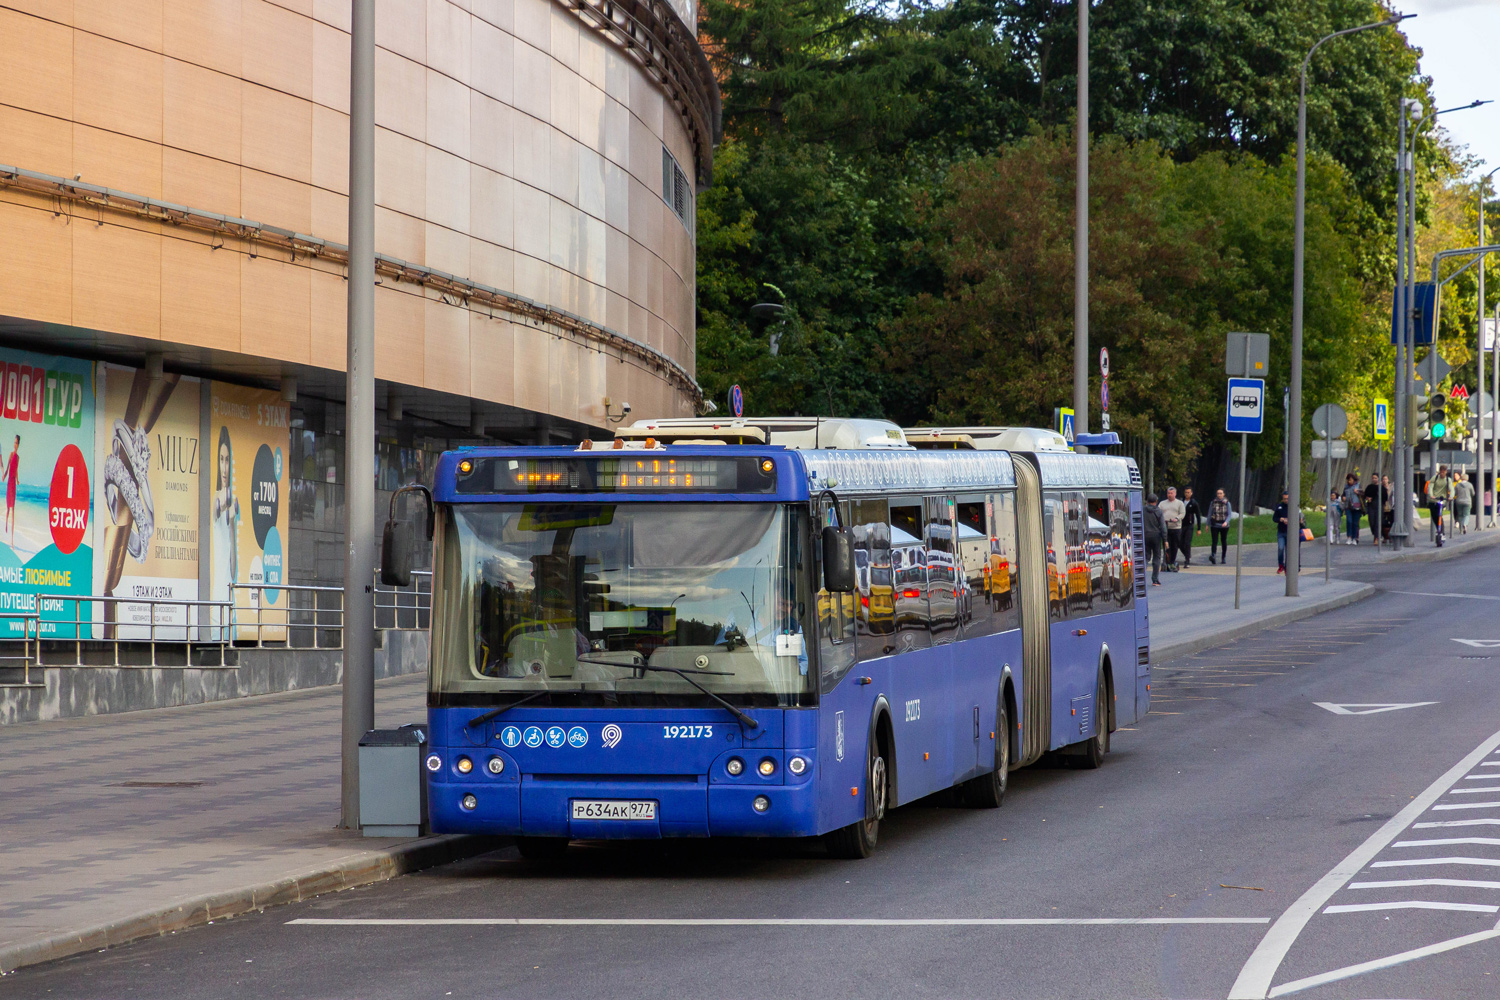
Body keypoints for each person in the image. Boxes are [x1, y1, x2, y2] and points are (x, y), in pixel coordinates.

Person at [1159, 487, 1186, 572]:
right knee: (1166, 545)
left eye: (1171, 493)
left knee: (1174, 545)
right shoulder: (1162, 503)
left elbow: (1182, 513)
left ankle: (1172, 561)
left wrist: (1177, 518)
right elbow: (1158, 512)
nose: (1169, 495)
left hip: (1176, 527)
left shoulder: (1179, 503)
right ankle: (1166, 561)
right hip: (1165, 527)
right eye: (1168, 493)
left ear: (1175, 494)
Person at [1143, 493, 1166, 586]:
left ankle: (1141, 578)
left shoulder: (1142, 510)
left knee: (1145, 557)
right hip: (1156, 536)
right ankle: (1155, 579)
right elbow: (1163, 526)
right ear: (1156, 502)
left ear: (1147, 501)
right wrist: (1165, 539)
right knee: (1156, 557)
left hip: (1145, 535)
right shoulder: (1159, 511)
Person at [1207, 488, 1232, 564]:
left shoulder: (1227, 503)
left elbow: (1229, 514)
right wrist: (1207, 524)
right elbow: (1210, 513)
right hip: (1215, 524)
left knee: (1223, 540)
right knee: (1214, 541)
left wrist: (1226, 522)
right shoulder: (1213, 502)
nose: (1219, 495)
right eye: (1218, 493)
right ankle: (1213, 555)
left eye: (1221, 493)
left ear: (1223, 494)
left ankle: (1223, 557)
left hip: (1224, 525)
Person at [1179, 487, 1201, 568]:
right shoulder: (1181, 502)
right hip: (1181, 525)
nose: (1187, 494)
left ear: (1191, 493)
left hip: (1189, 525)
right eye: (1186, 492)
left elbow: (1198, 516)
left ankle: (1187, 560)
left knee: (1187, 543)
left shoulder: (1194, 503)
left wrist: (1199, 528)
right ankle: (1187, 554)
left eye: (1188, 492)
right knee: (1180, 543)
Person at [1429, 465, 1451, 541]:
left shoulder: (1448, 480)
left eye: (1444, 472)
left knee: (1439, 515)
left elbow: (1451, 489)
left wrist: (1451, 496)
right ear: (1439, 471)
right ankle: (1439, 530)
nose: (1442, 474)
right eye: (1441, 472)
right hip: (1433, 500)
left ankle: (1442, 532)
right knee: (1434, 516)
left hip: (1442, 500)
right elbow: (1430, 487)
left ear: (1446, 471)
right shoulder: (1434, 478)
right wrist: (1431, 495)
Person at [1340, 473, 1362, 545]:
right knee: (1349, 521)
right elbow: (1343, 494)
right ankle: (1349, 537)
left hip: (1357, 506)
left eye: (1350, 480)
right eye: (1348, 480)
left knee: (1355, 523)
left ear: (1354, 480)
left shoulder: (1358, 485)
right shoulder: (1346, 487)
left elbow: (1363, 494)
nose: (1349, 481)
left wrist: (1358, 492)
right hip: (1348, 507)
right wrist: (1343, 498)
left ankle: (1354, 538)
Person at [4, 435, 18, 545]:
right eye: (14, 442)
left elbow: (16, 470)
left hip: (13, 483)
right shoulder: (11, 454)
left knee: (13, 510)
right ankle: (5, 525)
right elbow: (8, 467)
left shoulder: (18, 457)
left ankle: (12, 540)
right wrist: (4, 475)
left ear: (18, 444)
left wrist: (18, 480)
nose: (15, 444)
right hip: (9, 482)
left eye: (17, 443)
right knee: (8, 509)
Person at [1362, 473, 1382, 545]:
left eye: (1375, 478)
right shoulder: (1369, 487)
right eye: (1373, 478)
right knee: (1372, 521)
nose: (1374, 479)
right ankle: (1375, 534)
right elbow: (1365, 495)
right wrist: (1367, 498)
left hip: (1379, 506)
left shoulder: (1381, 487)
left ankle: (1377, 538)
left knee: (1377, 522)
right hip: (1371, 506)